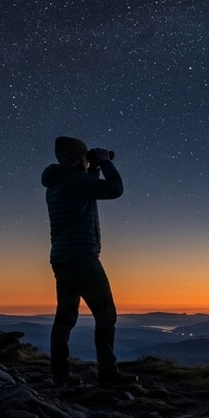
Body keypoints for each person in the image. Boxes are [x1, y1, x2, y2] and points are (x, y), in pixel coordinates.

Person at [41, 136, 137, 386]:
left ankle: (60, 374)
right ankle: (108, 372)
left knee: (65, 317)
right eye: (84, 156)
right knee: (106, 315)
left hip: (62, 259)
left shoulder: (59, 182)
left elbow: (87, 192)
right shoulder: (74, 181)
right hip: (83, 258)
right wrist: (105, 163)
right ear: (77, 159)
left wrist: (91, 168)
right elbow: (114, 189)